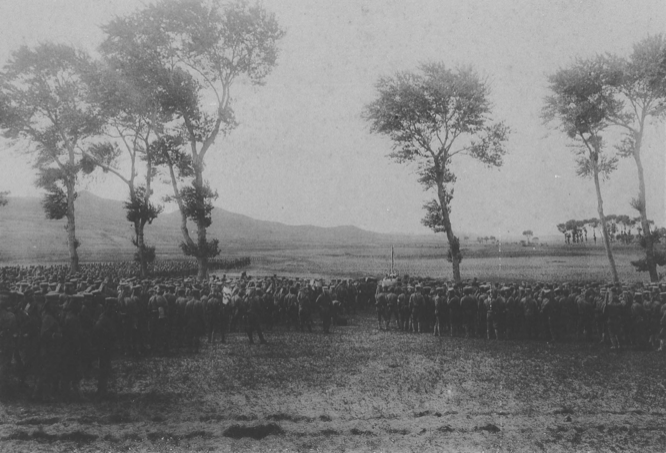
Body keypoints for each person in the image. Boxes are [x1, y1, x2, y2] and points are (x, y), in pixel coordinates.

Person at [95, 298, 117, 398]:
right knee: (103, 367)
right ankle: (101, 389)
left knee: (106, 367)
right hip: (103, 345)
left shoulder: (108, 316)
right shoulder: (103, 317)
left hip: (107, 345)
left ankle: (103, 388)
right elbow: (98, 328)